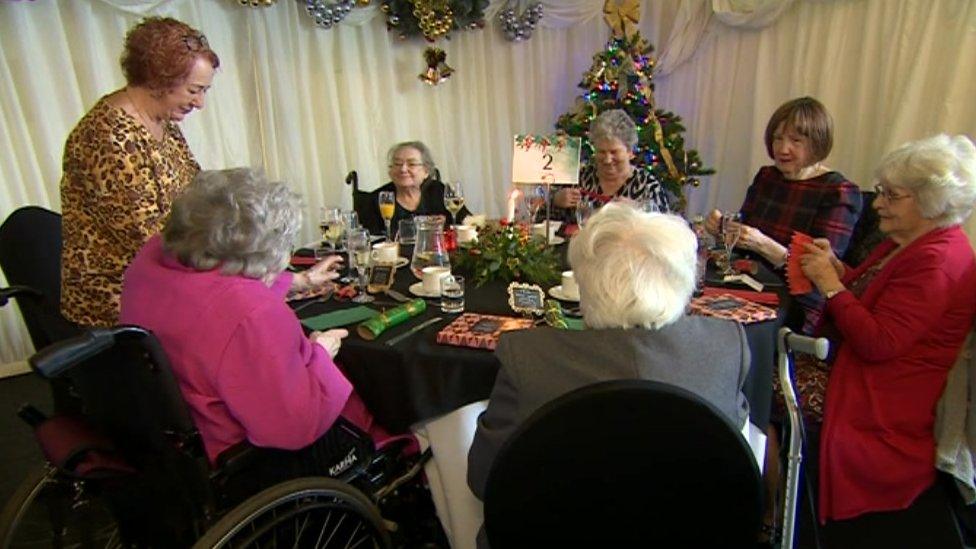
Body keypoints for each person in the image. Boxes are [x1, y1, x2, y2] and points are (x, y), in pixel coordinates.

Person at [467, 203, 751, 546]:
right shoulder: (726, 346)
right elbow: (732, 471)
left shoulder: (528, 357)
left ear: (584, 284)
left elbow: (484, 478)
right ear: (684, 281)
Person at [120, 168, 397, 483]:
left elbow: (216, 280)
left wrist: (296, 280)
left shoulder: (151, 260)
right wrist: (321, 353)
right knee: (381, 402)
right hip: (243, 458)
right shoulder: (249, 313)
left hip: (167, 440)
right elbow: (296, 426)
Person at [798, 134, 976, 533]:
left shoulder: (938, 262)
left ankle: (783, 516)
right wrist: (838, 269)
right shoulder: (908, 241)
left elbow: (878, 344)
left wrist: (830, 284)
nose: (877, 203)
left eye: (891, 196)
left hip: (884, 396)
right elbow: (867, 293)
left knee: (765, 390)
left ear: (931, 202)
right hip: (865, 371)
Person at [61, 17, 219, 327]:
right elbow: (150, 241)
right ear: (160, 79)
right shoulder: (108, 137)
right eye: (194, 90)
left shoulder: (163, 122)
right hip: (121, 302)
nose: (200, 103)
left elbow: (199, 193)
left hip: (164, 280)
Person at [706, 97, 862, 332]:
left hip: (797, 302)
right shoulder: (767, 177)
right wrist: (722, 231)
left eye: (795, 140)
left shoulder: (838, 192)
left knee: (722, 327)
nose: (782, 148)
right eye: (778, 138)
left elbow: (820, 274)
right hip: (750, 283)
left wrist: (763, 245)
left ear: (817, 144)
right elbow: (741, 242)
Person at [550, 109, 670, 219]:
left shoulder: (647, 186)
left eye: (614, 152)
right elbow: (544, 220)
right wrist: (555, 201)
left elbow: (664, 228)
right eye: (601, 152)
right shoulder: (580, 178)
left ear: (630, 152)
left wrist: (638, 209)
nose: (607, 160)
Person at [362, 141, 471, 235]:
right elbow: (371, 241)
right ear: (390, 171)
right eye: (397, 163)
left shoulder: (439, 191)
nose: (403, 169)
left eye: (412, 164)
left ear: (426, 171)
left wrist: (446, 225)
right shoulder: (376, 200)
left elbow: (468, 222)